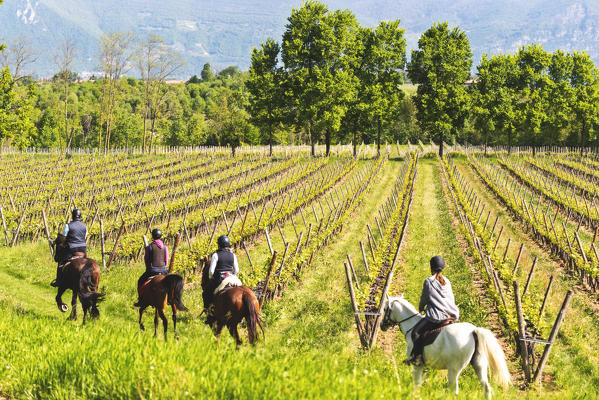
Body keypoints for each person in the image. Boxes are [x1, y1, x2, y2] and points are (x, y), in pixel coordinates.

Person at [406, 255, 460, 365]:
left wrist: (421, 308)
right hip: (450, 315)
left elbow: (424, 298)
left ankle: (417, 358)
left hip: (436, 317)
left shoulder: (428, 282)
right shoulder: (447, 281)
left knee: (415, 333)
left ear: (431, 268)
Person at [203, 235, 239, 324]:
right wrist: (232, 275)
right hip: (232, 277)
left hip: (221, 278)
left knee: (206, 293)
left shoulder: (216, 255)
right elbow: (237, 270)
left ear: (219, 244)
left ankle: (209, 314)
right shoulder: (232, 255)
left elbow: (211, 271)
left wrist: (211, 278)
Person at [51, 209, 87, 287]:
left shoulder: (68, 225)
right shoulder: (84, 225)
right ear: (80, 216)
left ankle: (58, 280)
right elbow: (85, 236)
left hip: (72, 248)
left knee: (61, 263)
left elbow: (64, 238)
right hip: (83, 248)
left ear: (72, 216)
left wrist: (64, 243)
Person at [133, 228, 169, 307]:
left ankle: (140, 299)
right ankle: (169, 299)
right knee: (170, 283)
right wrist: (163, 267)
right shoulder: (165, 247)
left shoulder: (149, 247)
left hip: (152, 270)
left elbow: (146, 259)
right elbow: (166, 260)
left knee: (140, 281)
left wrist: (148, 267)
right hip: (163, 270)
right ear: (160, 236)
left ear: (153, 236)